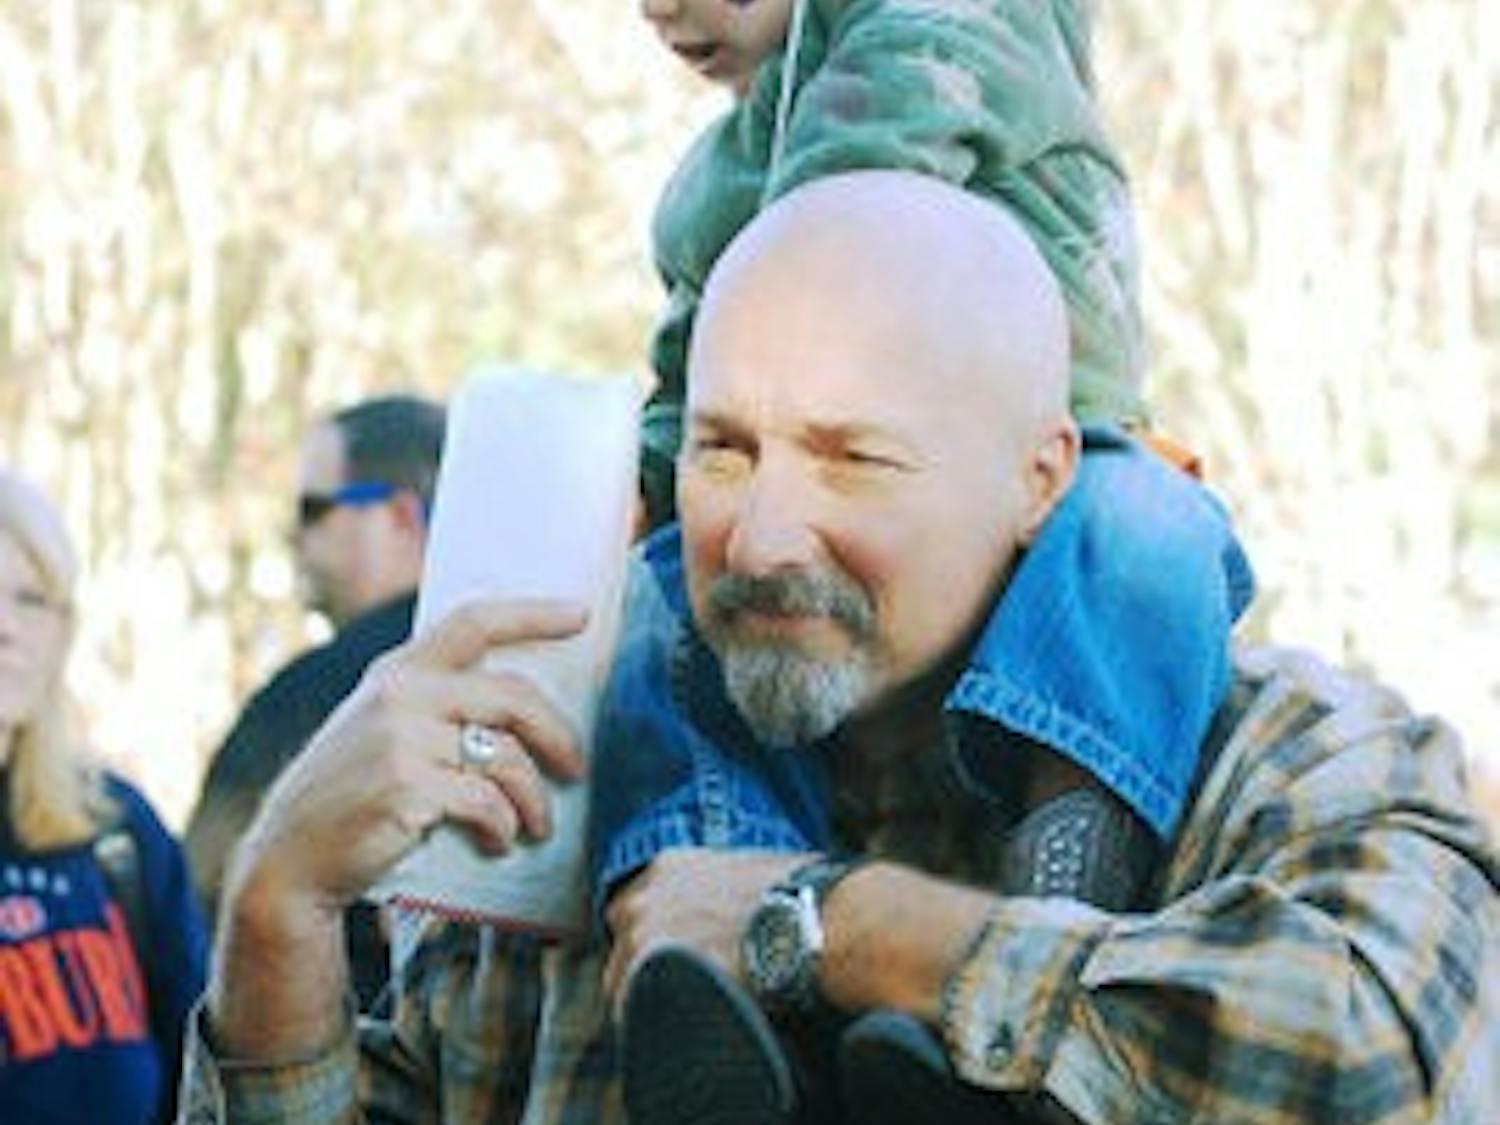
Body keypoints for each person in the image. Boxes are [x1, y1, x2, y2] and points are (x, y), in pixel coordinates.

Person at [176, 174, 1498, 1124]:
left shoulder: (1286, 759)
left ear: (1041, 478)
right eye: (723, 448)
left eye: (855, 458)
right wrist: (280, 912)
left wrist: (826, 926)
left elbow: (1384, 1061)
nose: (758, 538)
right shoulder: (572, 786)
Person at [619, 0, 1255, 941]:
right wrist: (649, 483)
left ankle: (1070, 874)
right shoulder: (707, 186)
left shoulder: (955, 19)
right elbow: (682, 378)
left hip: (1069, 447)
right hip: (830, 486)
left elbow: (866, 176)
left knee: (1147, 531)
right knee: (665, 589)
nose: (661, 7)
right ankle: (708, 910)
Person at [182, 393, 444, 1008]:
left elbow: (203, 902)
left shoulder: (311, 697)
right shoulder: (544, 671)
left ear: (402, 516)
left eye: (312, 510)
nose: (293, 537)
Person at [0, 469, 208, 1125]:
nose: (5, 627)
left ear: (62, 631)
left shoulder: (118, 832)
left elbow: (201, 1080)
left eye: (32, 599)